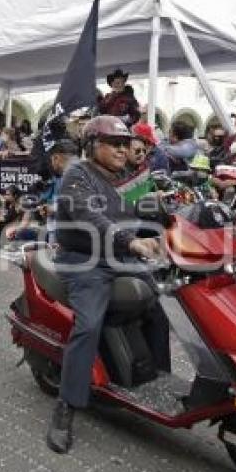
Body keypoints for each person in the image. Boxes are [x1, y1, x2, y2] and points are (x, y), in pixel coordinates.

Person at [46, 115, 164, 454]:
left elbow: (143, 210)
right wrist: (130, 241)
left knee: (162, 305)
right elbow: (90, 217)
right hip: (84, 262)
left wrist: (174, 217)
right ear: (92, 145)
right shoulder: (77, 174)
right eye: (115, 143)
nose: (122, 149)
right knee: (88, 325)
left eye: (125, 143)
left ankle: (154, 381)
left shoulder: (126, 177)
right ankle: (66, 406)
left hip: (121, 256)